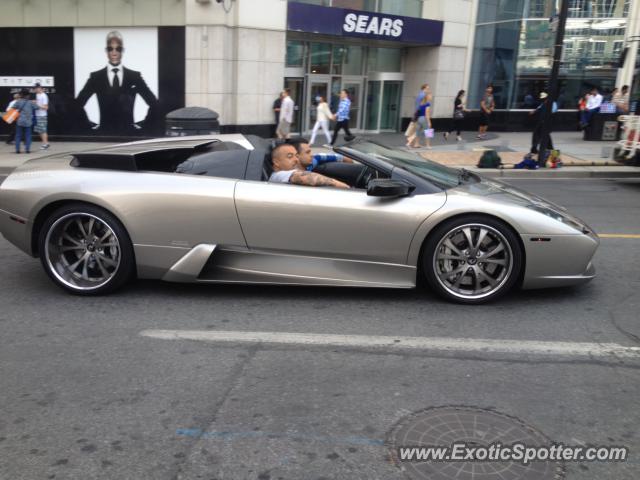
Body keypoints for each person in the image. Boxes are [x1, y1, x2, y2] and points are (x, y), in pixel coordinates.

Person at [76, 30, 157, 134]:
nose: (114, 52)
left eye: (118, 49)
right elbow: (78, 104)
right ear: (106, 51)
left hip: (128, 134)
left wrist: (142, 128)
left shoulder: (134, 76)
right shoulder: (96, 77)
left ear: (122, 50)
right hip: (104, 133)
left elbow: (154, 103)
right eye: (110, 49)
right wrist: (90, 128)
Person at [268, 143, 349, 188]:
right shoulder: (278, 176)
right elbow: (303, 176)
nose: (296, 159)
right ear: (276, 162)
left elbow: (317, 158)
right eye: (290, 156)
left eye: (296, 155)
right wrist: (344, 187)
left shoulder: (307, 164)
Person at [288, 138, 353, 170]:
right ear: (297, 156)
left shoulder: (312, 162)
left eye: (310, 152)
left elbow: (319, 156)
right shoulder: (287, 175)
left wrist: (345, 159)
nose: (311, 155)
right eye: (307, 152)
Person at [12, 89, 39, 154]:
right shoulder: (30, 102)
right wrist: (34, 102)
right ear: (28, 95)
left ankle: (17, 150)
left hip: (20, 121)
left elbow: (13, 107)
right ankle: (27, 150)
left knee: (18, 135)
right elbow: (37, 107)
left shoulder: (18, 101)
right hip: (28, 122)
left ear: (21, 95)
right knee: (28, 135)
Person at [34, 83, 50, 150]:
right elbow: (37, 102)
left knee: (43, 130)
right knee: (39, 130)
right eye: (34, 88)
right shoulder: (37, 95)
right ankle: (45, 143)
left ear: (40, 88)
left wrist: (37, 105)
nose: (35, 90)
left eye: (36, 88)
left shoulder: (44, 96)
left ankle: (45, 144)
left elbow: (46, 107)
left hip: (42, 115)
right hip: (37, 115)